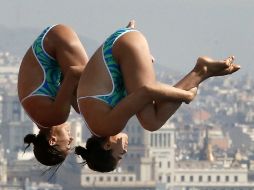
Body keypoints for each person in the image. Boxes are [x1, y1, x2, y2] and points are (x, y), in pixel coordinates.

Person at [75, 20, 240, 172]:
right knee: (149, 119)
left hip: (126, 47)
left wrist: (185, 97)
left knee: (151, 122)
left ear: (106, 147)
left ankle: (200, 72)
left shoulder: (108, 127)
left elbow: (147, 90)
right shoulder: (94, 123)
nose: (125, 150)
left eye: (120, 155)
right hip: (123, 44)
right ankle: (201, 72)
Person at [18, 24, 89, 166]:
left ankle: (120, 49)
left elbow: (74, 73)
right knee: (82, 105)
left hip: (56, 40)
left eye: (67, 145)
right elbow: (65, 82)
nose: (71, 140)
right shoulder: (40, 119)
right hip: (49, 40)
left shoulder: (55, 117)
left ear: (52, 140)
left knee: (91, 92)